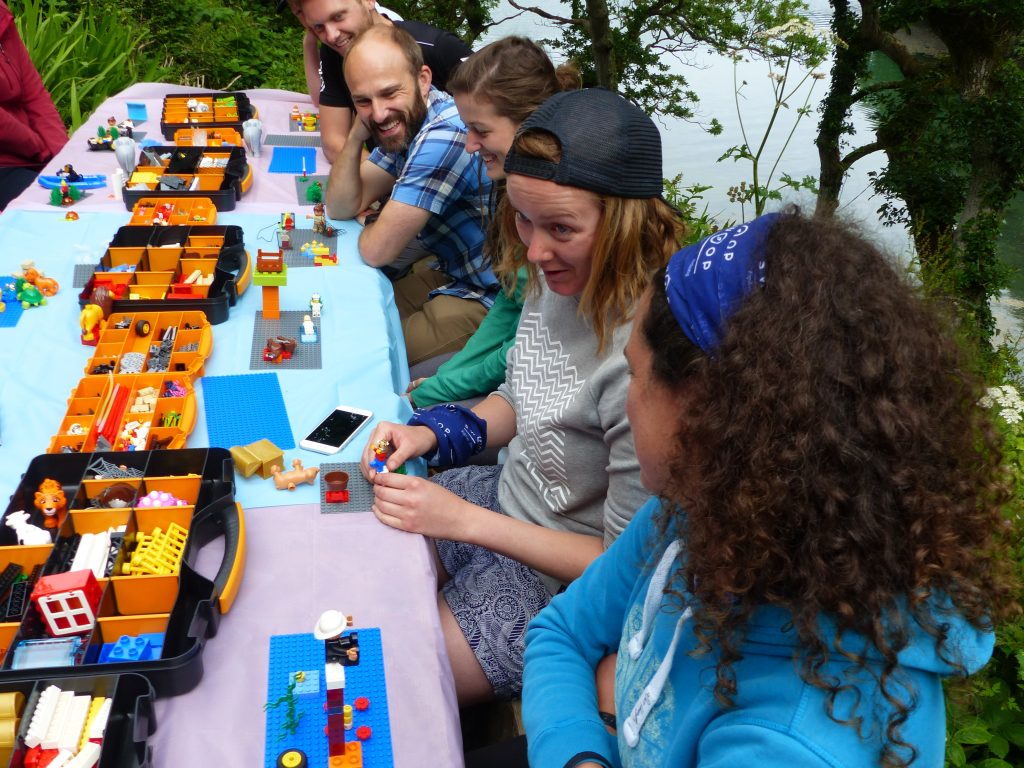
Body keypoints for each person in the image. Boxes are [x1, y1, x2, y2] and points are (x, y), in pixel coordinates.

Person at [521, 212, 1018, 767]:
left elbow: (569, 642)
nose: (625, 398)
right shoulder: (700, 510)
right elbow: (561, 630)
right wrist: (581, 751)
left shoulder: (799, 742)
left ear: (707, 412)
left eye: (635, 375)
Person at [359, 87, 687, 704]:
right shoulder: (557, 276)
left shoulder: (645, 363)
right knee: (353, 549)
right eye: (523, 218)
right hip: (500, 499)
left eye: (561, 227)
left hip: (555, 586)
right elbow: (521, 393)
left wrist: (462, 522)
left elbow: (623, 571)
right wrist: (434, 431)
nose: (534, 251)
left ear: (624, 224)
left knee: (385, 688)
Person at [406, 36, 579, 408]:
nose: (469, 144)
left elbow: (532, 341)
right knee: (416, 385)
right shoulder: (509, 190)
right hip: (520, 358)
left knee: (418, 407)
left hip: (554, 387)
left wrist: (441, 388)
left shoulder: (560, 200)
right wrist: (447, 377)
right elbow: (513, 302)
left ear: (531, 123)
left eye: (480, 131)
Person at [328, 25, 497, 366]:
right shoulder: (410, 119)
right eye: (363, 100)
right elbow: (341, 205)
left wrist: (376, 221)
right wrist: (356, 136)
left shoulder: (444, 135)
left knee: (360, 353)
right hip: (454, 270)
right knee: (348, 319)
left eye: (389, 93)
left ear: (423, 79)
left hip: (490, 295)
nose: (378, 113)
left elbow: (377, 250)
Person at [296, 0, 469, 163]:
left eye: (338, 17)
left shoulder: (437, 47)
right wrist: (384, 180)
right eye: (319, 27)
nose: (332, 36)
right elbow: (334, 142)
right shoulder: (334, 53)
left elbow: (494, 112)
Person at [0, 0, 68, 210]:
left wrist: (64, 157)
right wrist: (39, 150)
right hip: (8, 160)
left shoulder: (2, 17)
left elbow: (34, 95)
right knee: (50, 211)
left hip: (27, 157)